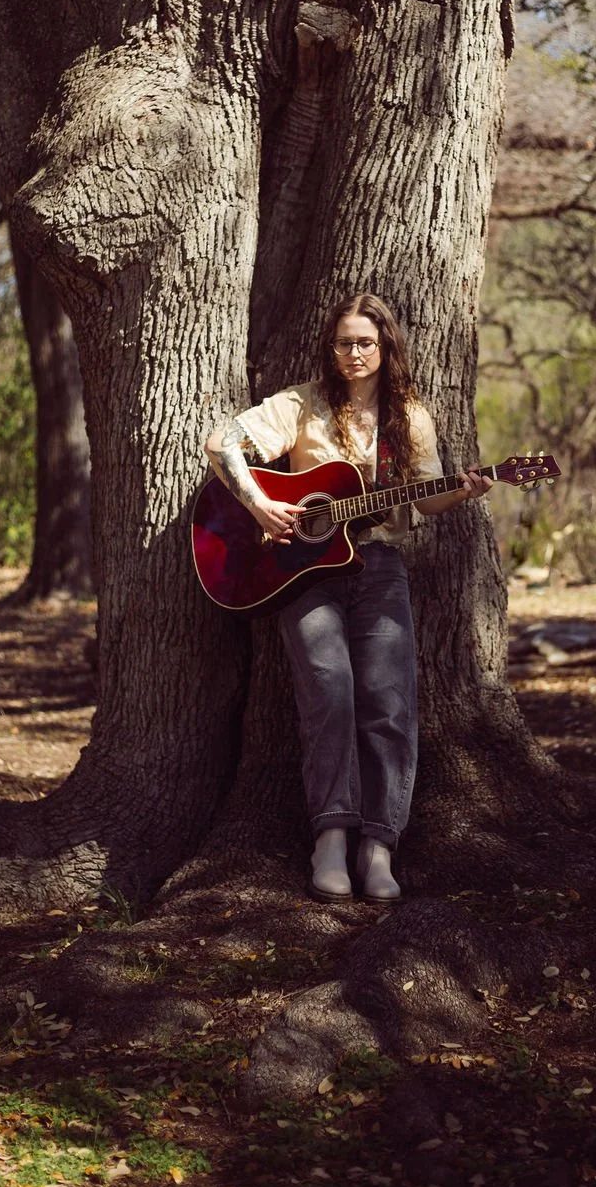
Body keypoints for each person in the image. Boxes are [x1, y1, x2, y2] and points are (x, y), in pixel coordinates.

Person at [205, 293, 491, 902]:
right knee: (328, 693)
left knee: (389, 702)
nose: (354, 353)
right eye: (344, 342)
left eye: (365, 342)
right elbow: (220, 441)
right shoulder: (301, 403)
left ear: (386, 347)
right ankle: (330, 838)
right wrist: (260, 504)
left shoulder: (408, 416)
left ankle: (379, 846)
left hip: (379, 566)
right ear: (331, 347)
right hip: (304, 572)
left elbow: (426, 498)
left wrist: (463, 490)